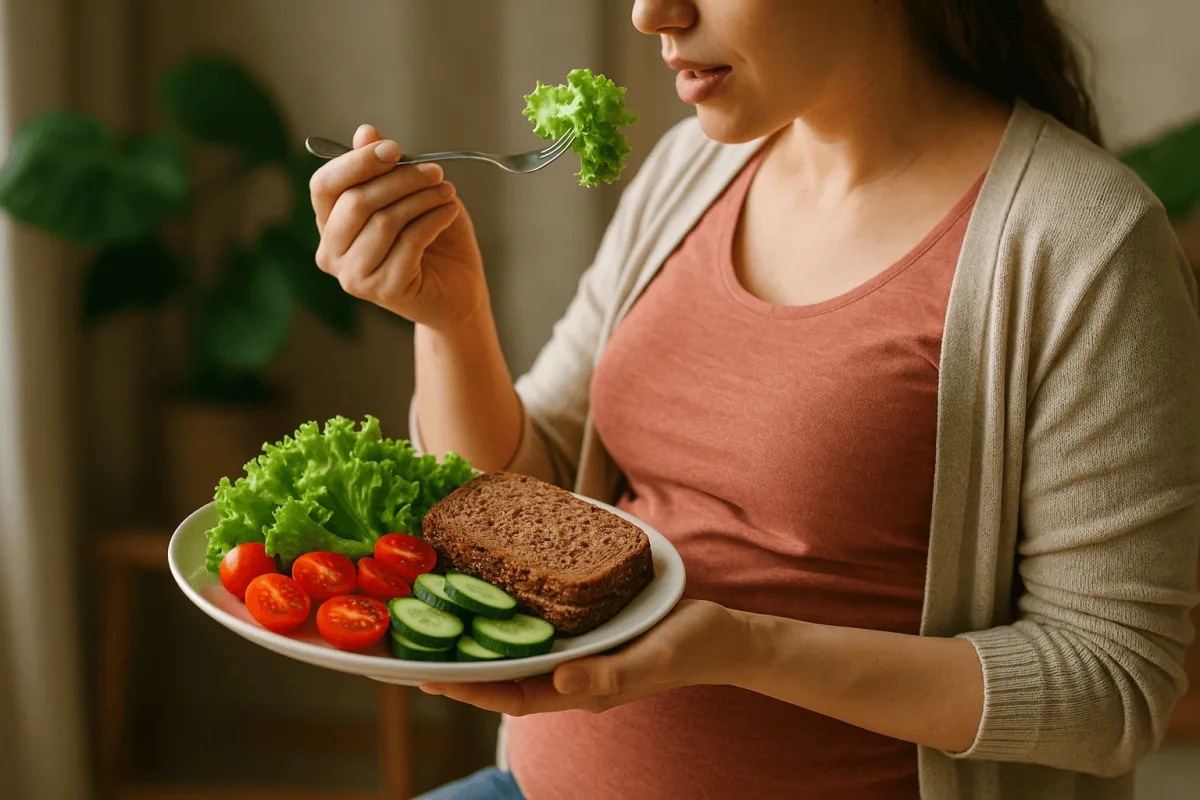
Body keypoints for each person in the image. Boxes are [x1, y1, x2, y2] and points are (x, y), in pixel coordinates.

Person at [307, 1, 1200, 798]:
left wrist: (745, 648)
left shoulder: (1083, 242)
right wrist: (452, 320)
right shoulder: (689, 171)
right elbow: (516, 492)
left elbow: (1110, 690)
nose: (649, 14)